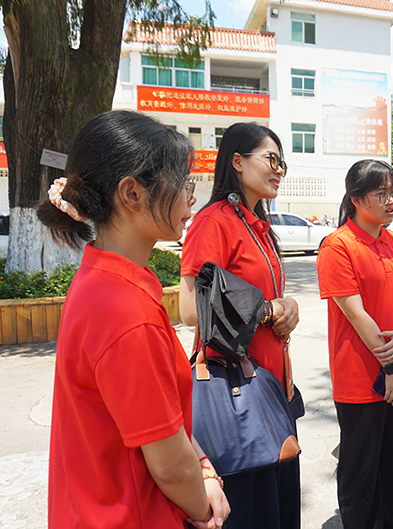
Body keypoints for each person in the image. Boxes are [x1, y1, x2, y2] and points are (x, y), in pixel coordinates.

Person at [39, 110, 230, 529]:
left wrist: (202, 467)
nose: (190, 199)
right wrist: (205, 506)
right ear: (132, 194)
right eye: (182, 185)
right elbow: (167, 463)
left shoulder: (102, 278)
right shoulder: (125, 312)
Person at [179, 123, 301, 529]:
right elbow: (191, 310)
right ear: (236, 161)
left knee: (280, 513)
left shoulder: (257, 225)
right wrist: (268, 311)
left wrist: (289, 307)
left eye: (282, 161)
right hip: (236, 397)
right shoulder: (214, 222)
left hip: (272, 391)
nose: (279, 169)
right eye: (271, 158)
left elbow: (264, 301)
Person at [316, 160, 393, 529]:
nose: (391, 201)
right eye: (382, 194)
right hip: (362, 379)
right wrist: (391, 367)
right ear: (357, 198)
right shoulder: (338, 246)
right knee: (360, 473)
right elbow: (356, 313)